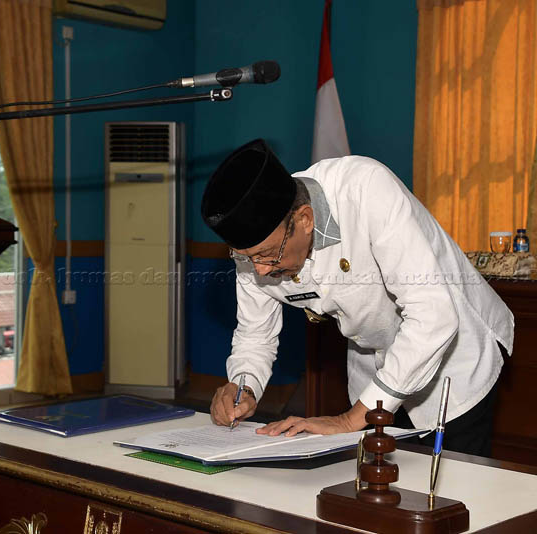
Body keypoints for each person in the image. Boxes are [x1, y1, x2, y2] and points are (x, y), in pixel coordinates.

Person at [201, 139, 514, 456]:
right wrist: (243, 386)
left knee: (451, 478)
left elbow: (433, 315)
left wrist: (350, 420)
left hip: (453, 359)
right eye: (245, 257)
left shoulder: (366, 190)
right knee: (382, 477)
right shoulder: (257, 252)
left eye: (269, 254)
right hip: (374, 360)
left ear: (305, 219)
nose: (260, 270)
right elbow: (255, 334)